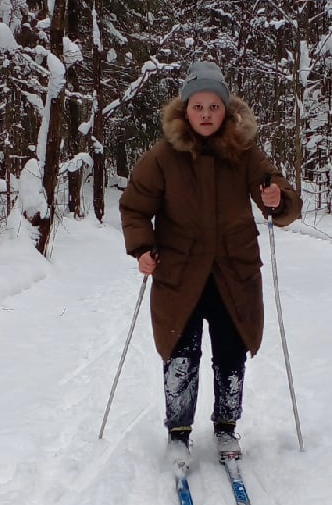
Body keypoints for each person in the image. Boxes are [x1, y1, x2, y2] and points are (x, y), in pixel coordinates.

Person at [119, 59, 301, 469]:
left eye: (213, 107)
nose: (205, 115)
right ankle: (178, 433)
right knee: (181, 353)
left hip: (233, 271)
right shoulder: (163, 157)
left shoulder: (245, 152)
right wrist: (142, 247)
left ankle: (225, 428)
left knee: (231, 351)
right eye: (198, 107)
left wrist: (277, 199)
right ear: (185, 109)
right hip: (180, 272)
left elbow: (279, 193)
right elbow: (133, 207)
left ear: (226, 109)